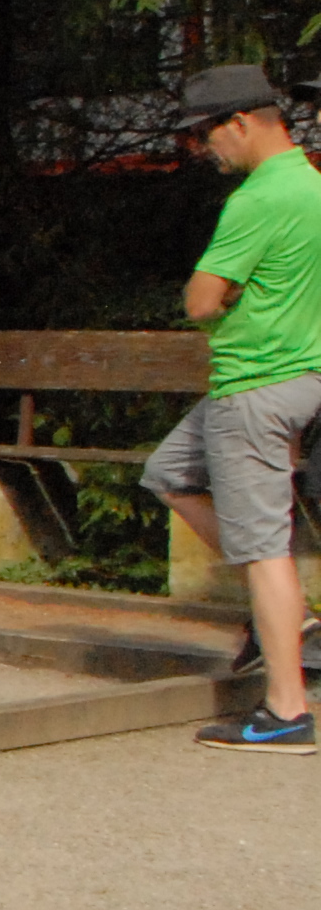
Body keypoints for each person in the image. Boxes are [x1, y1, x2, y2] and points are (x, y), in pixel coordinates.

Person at [151, 65, 321, 751]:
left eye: (205, 133)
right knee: (170, 472)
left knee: (262, 548)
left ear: (242, 122)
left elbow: (200, 300)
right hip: (303, 376)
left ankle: (287, 712)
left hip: (254, 385)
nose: (202, 147)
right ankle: (295, 620)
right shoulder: (314, 185)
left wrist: (223, 298)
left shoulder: (258, 199)